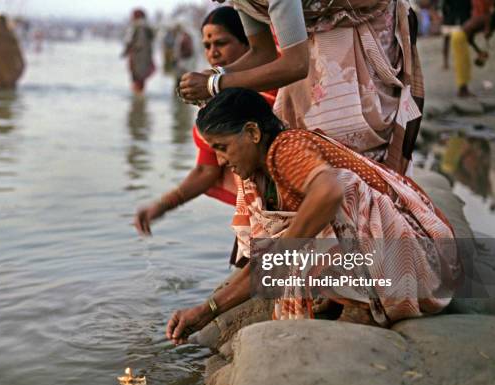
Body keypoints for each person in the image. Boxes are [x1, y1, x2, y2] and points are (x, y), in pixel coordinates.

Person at [165, 88, 461, 345]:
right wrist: (205, 311)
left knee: (336, 192)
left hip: (423, 257)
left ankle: (361, 302)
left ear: (254, 133)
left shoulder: (286, 147)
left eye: (222, 148)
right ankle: (343, 295)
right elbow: (263, 265)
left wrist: (282, 255)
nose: (220, 161)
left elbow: (330, 194)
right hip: (388, 256)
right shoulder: (257, 178)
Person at [178, 0, 424, 175]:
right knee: (294, 138)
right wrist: (218, 74)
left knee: (347, 139)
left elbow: (296, 65)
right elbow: (262, 52)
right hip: (313, 46)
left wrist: (214, 84)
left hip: (361, 26)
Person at [134, 6, 274, 235]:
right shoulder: (217, 102)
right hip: (255, 212)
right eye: (207, 46)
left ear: (250, 44)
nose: (213, 53)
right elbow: (206, 170)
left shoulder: (281, 91)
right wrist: (161, 206)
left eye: (221, 43)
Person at [450, 4, 495, 97]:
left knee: (464, 64)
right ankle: (462, 91)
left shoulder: (484, 18)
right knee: (462, 65)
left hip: (459, 37)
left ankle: (463, 89)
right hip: (459, 37)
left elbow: (470, 39)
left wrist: (479, 51)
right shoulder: (488, 18)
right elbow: (486, 33)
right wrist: (488, 35)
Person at [0, 14, 26, 89]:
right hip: (3, 82)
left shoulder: (11, 41)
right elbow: (23, 63)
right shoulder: (6, 41)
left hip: (3, 83)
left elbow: (23, 63)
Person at [122, 9, 156, 94]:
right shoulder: (147, 27)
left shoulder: (137, 27)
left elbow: (133, 43)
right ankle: (139, 103)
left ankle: (137, 102)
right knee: (141, 81)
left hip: (137, 59)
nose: (131, 17)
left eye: (133, 16)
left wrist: (127, 51)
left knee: (137, 80)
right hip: (145, 58)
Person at [440, 0, 472, 69]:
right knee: (463, 40)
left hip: (452, 18)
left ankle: (446, 62)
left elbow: (444, 7)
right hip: (460, 19)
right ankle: (448, 62)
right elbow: (469, 7)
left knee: (447, 41)